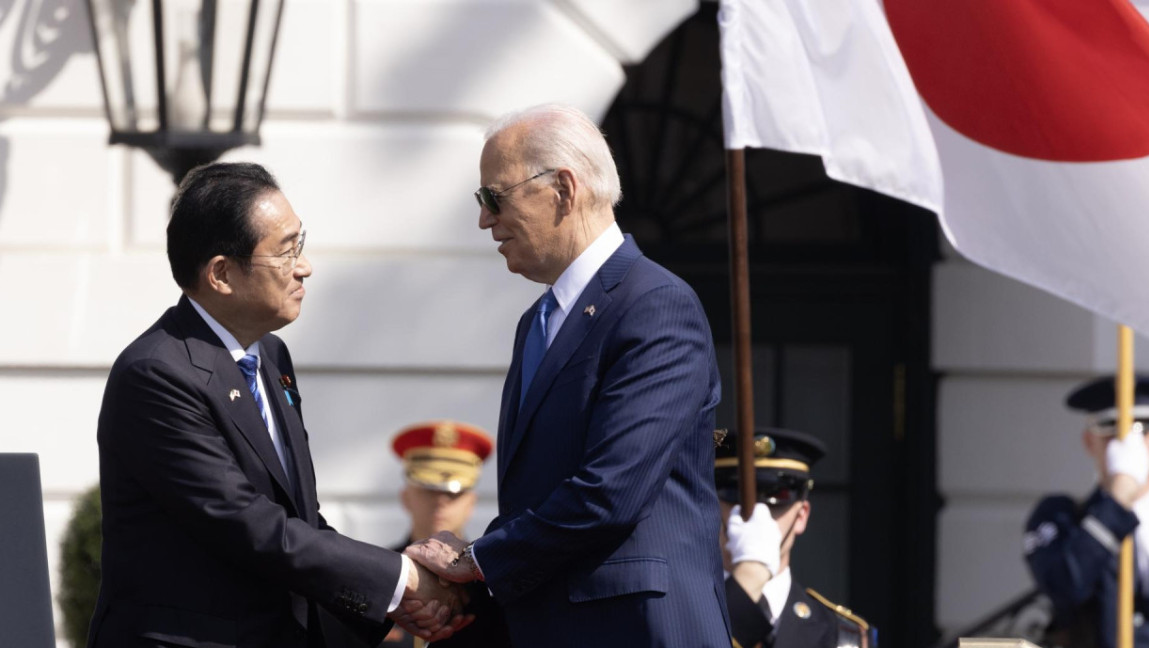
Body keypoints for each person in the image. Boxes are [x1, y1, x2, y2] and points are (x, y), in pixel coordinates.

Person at [87, 162, 465, 648]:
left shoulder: (269, 354)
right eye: (285, 253)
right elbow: (249, 525)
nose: (303, 267)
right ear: (222, 274)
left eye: (299, 245)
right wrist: (402, 580)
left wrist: (393, 604)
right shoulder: (157, 374)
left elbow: (300, 520)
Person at [404, 103, 733, 647]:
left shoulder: (656, 304)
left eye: (494, 197)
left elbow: (609, 492)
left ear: (563, 187)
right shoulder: (536, 322)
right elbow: (538, 502)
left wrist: (476, 560)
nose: (485, 219)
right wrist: (467, 583)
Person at [1024, 375, 1149, 648]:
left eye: (1138, 431)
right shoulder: (1060, 517)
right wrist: (1118, 500)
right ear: (1089, 442)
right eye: (1110, 433)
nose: (1125, 445)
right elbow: (1063, 587)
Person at [716, 428, 875, 648]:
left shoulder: (841, 636)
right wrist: (748, 580)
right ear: (713, 509)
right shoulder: (673, 613)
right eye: (736, 494)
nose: (755, 512)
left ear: (801, 516)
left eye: (777, 495)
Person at [381, 421, 494, 648]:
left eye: (453, 493)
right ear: (405, 497)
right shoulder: (379, 574)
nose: (440, 501)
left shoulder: (492, 587)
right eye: (429, 489)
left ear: (471, 504)